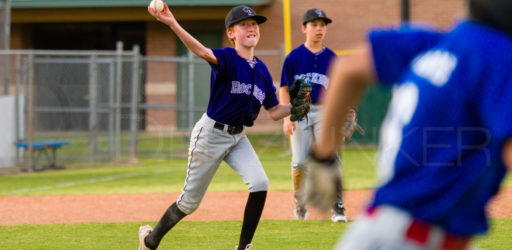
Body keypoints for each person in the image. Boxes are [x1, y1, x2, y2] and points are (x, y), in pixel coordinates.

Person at [306, 0, 512, 249]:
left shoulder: (432, 42)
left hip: (383, 229)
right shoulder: (499, 57)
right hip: (416, 239)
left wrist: (323, 156)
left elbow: (347, 69)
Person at [140, 4, 295, 250]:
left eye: (254, 24)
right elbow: (200, 49)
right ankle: (149, 241)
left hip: (238, 138)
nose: (252, 27)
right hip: (210, 135)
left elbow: (275, 111)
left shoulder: (263, 70)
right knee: (189, 203)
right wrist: (171, 22)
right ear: (231, 33)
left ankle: (244, 246)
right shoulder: (226, 58)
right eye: (244, 24)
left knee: (260, 183)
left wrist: (298, 107)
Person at [279, 8, 347, 222]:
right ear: (304, 28)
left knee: (331, 158)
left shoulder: (332, 58)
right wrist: (286, 115)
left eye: (323, 25)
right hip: (300, 110)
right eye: (314, 24)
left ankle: (337, 207)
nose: (319, 28)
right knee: (299, 163)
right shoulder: (294, 57)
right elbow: (283, 88)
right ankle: (300, 202)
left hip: (326, 112)